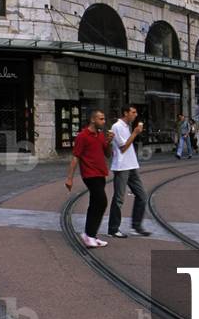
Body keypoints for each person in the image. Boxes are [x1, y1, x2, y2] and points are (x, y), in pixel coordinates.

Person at [65, 109, 112, 248]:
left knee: (94, 204)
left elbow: (108, 154)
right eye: (101, 119)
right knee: (102, 202)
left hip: (100, 173)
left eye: (104, 119)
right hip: (90, 175)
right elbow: (75, 157)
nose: (103, 122)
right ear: (93, 120)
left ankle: (91, 235)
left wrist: (109, 142)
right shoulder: (82, 136)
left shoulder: (101, 135)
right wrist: (70, 178)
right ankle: (89, 235)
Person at [107, 105, 151, 239]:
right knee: (119, 198)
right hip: (121, 167)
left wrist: (134, 132)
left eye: (136, 112)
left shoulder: (127, 127)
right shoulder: (117, 126)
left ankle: (136, 226)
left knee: (142, 195)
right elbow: (123, 147)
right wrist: (136, 133)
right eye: (133, 112)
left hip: (132, 165)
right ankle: (113, 229)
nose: (135, 114)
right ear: (125, 113)